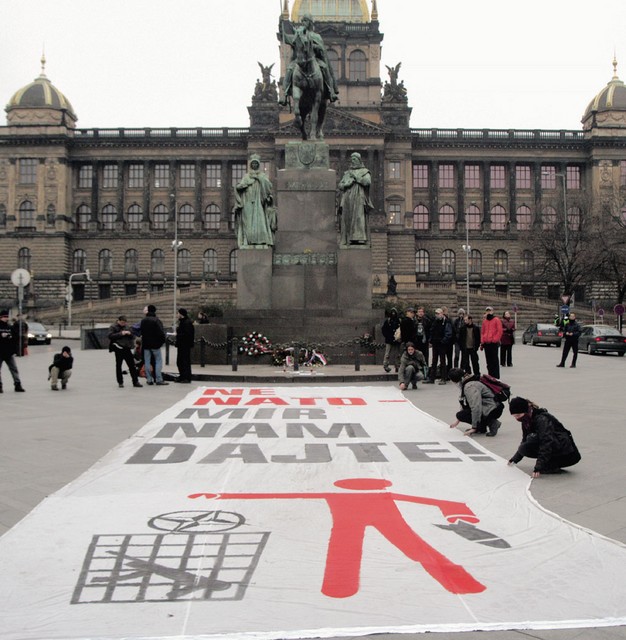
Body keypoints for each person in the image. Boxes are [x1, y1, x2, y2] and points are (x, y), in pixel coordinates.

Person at [507, 396, 581, 477]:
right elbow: (524, 440)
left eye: (518, 415)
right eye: (514, 416)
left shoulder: (542, 419)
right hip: (556, 447)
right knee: (524, 447)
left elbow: (546, 442)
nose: (517, 418)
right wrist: (515, 459)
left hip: (568, 454)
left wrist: (538, 467)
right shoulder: (526, 420)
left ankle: (551, 464)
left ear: (526, 411)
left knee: (532, 439)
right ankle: (549, 463)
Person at [278, 13, 339, 106]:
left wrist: (313, 46)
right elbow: (284, 37)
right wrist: (280, 24)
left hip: (314, 59)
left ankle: (331, 92)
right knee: (289, 70)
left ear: (310, 23)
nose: (303, 23)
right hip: (299, 62)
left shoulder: (316, 36)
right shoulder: (297, 36)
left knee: (325, 68)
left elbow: (322, 49)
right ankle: (284, 95)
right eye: (302, 21)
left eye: (305, 21)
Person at [233, 154, 276, 248]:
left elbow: (268, 187)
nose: (255, 165)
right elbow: (239, 187)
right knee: (247, 223)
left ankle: (260, 242)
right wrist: (240, 187)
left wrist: (258, 178)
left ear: (258, 165)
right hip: (247, 202)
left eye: (256, 163)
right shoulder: (246, 176)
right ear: (250, 165)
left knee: (259, 222)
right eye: (253, 163)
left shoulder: (262, 175)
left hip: (258, 203)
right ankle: (248, 242)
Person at [448, 367, 503, 437]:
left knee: (462, 415)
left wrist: (474, 428)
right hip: (490, 406)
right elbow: (465, 404)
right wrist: (457, 421)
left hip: (492, 408)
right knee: (461, 415)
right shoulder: (468, 380)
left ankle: (492, 423)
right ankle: (481, 427)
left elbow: (476, 407)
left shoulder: (470, 387)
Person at [337, 152, 373, 246]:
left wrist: (356, 178)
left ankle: (358, 238)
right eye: (351, 159)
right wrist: (346, 185)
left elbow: (367, 182)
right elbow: (340, 185)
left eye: (354, 159)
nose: (352, 161)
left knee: (358, 218)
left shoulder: (365, 171)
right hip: (347, 198)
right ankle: (346, 238)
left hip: (358, 197)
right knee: (346, 218)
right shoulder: (347, 173)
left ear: (359, 160)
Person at [108, 315, 143, 389]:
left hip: (127, 348)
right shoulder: (113, 327)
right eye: (122, 322)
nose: (123, 324)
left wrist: (130, 334)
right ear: (119, 321)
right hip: (118, 348)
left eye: (124, 323)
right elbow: (110, 336)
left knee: (132, 365)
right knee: (118, 365)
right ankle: (120, 382)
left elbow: (133, 336)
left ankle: (135, 381)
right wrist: (121, 333)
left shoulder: (127, 327)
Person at [140, 305, 168, 386]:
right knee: (158, 361)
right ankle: (159, 379)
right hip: (155, 344)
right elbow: (161, 332)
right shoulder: (156, 320)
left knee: (147, 362)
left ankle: (149, 379)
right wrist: (161, 342)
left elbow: (141, 332)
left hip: (146, 344)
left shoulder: (143, 320)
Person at [424, 308, 452, 385]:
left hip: (442, 344)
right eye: (436, 313)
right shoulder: (435, 322)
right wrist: (430, 340)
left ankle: (443, 378)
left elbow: (448, 333)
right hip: (435, 344)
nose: (437, 315)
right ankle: (432, 378)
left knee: (442, 361)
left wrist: (443, 341)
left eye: (438, 313)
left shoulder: (446, 322)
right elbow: (431, 331)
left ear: (442, 313)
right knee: (434, 361)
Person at [0, 309, 25, 392]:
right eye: (4, 317)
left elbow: (15, 339)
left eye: (7, 317)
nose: (6, 319)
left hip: (9, 353)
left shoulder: (10, 327)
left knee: (14, 369)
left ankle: (17, 385)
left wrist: (14, 351)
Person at [480, 306, 503, 379]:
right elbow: (482, 332)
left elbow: (499, 331)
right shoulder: (485, 321)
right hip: (486, 343)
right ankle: (490, 375)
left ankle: (496, 376)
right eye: (487, 311)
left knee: (494, 360)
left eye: (489, 311)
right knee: (488, 361)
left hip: (493, 343)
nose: (488, 312)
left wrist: (495, 339)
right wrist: (482, 341)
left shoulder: (496, 320)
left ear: (492, 311)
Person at [175, 307, 195, 383]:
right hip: (182, 345)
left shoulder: (186, 323)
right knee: (180, 361)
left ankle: (186, 377)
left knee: (184, 361)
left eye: (178, 313)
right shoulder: (183, 322)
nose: (177, 315)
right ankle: (182, 376)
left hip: (184, 345)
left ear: (181, 314)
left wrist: (178, 334)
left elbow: (187, 335)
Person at [381, 307, 401, 373]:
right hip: (389, 340)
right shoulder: (388, 321)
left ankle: (397, 366)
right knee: (387, 354)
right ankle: (386, 365)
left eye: (394, 312)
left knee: (397, 354)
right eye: (392, 312)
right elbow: (384, 330)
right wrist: (387, 336)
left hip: (397, 340)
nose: (393, 314)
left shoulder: (399, 321)